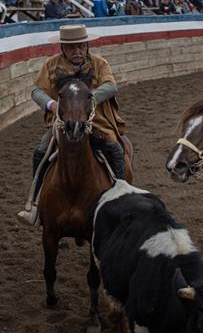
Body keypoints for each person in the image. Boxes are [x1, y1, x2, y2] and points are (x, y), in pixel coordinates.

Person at [17, 24, 127, 225]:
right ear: (62, 48)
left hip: (96, 121)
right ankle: (35, 202)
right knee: (41, 151)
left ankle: (123, 199)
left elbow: (111, 86)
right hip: (62, 122)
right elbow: (36, 90)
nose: (77, 51)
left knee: (116, 149)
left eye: (81, 46)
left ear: (86, 45)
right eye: (71, 47)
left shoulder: (99, 64)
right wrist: (50, 104)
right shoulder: (51, 65)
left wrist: (85, 99)